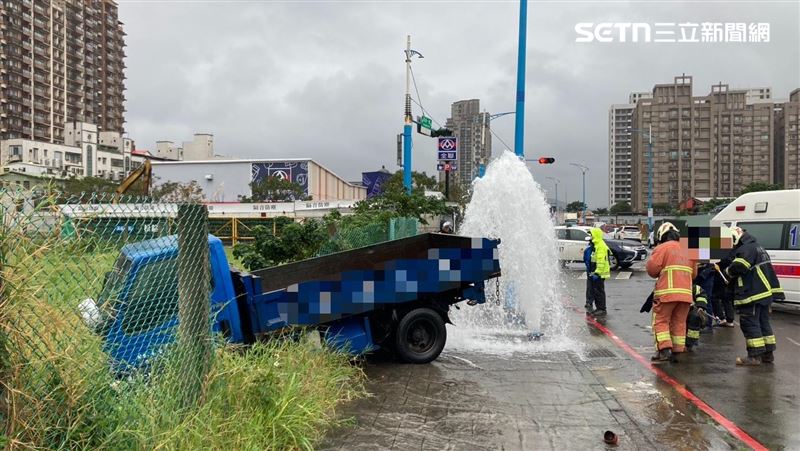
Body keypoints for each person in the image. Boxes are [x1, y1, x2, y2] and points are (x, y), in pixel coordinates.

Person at [725, 227, 784, 366]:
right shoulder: (758, 247)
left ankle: (754, 356)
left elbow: (739, 267)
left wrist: (727, 271)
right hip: (764, 294)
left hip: (752, 294)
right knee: (763, 323)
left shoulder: (745, 249)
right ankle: (767, 355)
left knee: (750, 323)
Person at [646, 222, 693, 362]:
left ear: (661, 236)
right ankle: (678, 349)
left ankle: (664, 350)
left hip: (666, 293)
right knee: (679, 322)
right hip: (686, 294)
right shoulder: (689, 248)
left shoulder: (662, 248)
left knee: (661, 320)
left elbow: (652, 270)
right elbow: (694, 273)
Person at [583, 228, 611, 316]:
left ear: (596, 235)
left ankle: (601, 309)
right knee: (595, 290)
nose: (590, 237)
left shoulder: (600, 246)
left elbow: (601, 262)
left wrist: (597, 273)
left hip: (599, 273)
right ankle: (599, 308)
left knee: (599, 291)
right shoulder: (596, 245)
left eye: (591, 235)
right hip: (595, 271)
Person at [685, 283, 709, 351]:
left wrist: (701, 306)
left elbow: (702, 295)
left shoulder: (694, 287)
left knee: (695, 317)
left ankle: (689, 344)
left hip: (691, 312)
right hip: (679, 312)